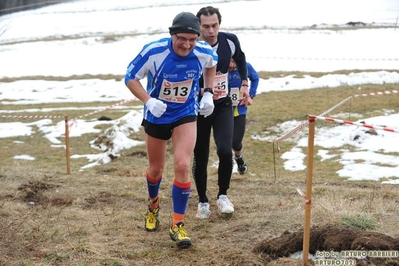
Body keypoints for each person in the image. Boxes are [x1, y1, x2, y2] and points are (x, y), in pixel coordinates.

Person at [124, 11, 218, 248]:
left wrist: (208, 93)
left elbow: (211, 65)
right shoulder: (154, 51)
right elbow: (130, 77)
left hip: (185, 114)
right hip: (156, 115)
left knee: (183, 165)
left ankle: (178, 224)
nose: (186, 44)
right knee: (156, 169)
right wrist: (148, 101)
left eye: (192, 40)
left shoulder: (204, 51)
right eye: (182, 39)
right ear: (172, 35)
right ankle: (153, 205)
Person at [192, 6, 250, 219]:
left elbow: (241, 58)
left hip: (223, 104)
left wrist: (244, 83)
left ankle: (223, 195)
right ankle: (203, 201)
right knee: (201, 155)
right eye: (206, 26)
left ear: (220, 24)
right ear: (199, 26)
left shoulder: (230, 41)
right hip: (199, 109)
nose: (211, 31)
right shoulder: (192, 45)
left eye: (214, 25)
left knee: (226, 151)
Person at [229, 58, 259, 174]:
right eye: (229, 61)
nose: (231, 65)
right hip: (222, 110)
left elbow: (255, 78)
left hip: (239, 109)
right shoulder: (219, 66)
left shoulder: (246, 67)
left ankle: (238, 158)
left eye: (234, 61)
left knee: (236, 142)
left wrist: (251, 95)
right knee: (223, 144)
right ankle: (226, 165)